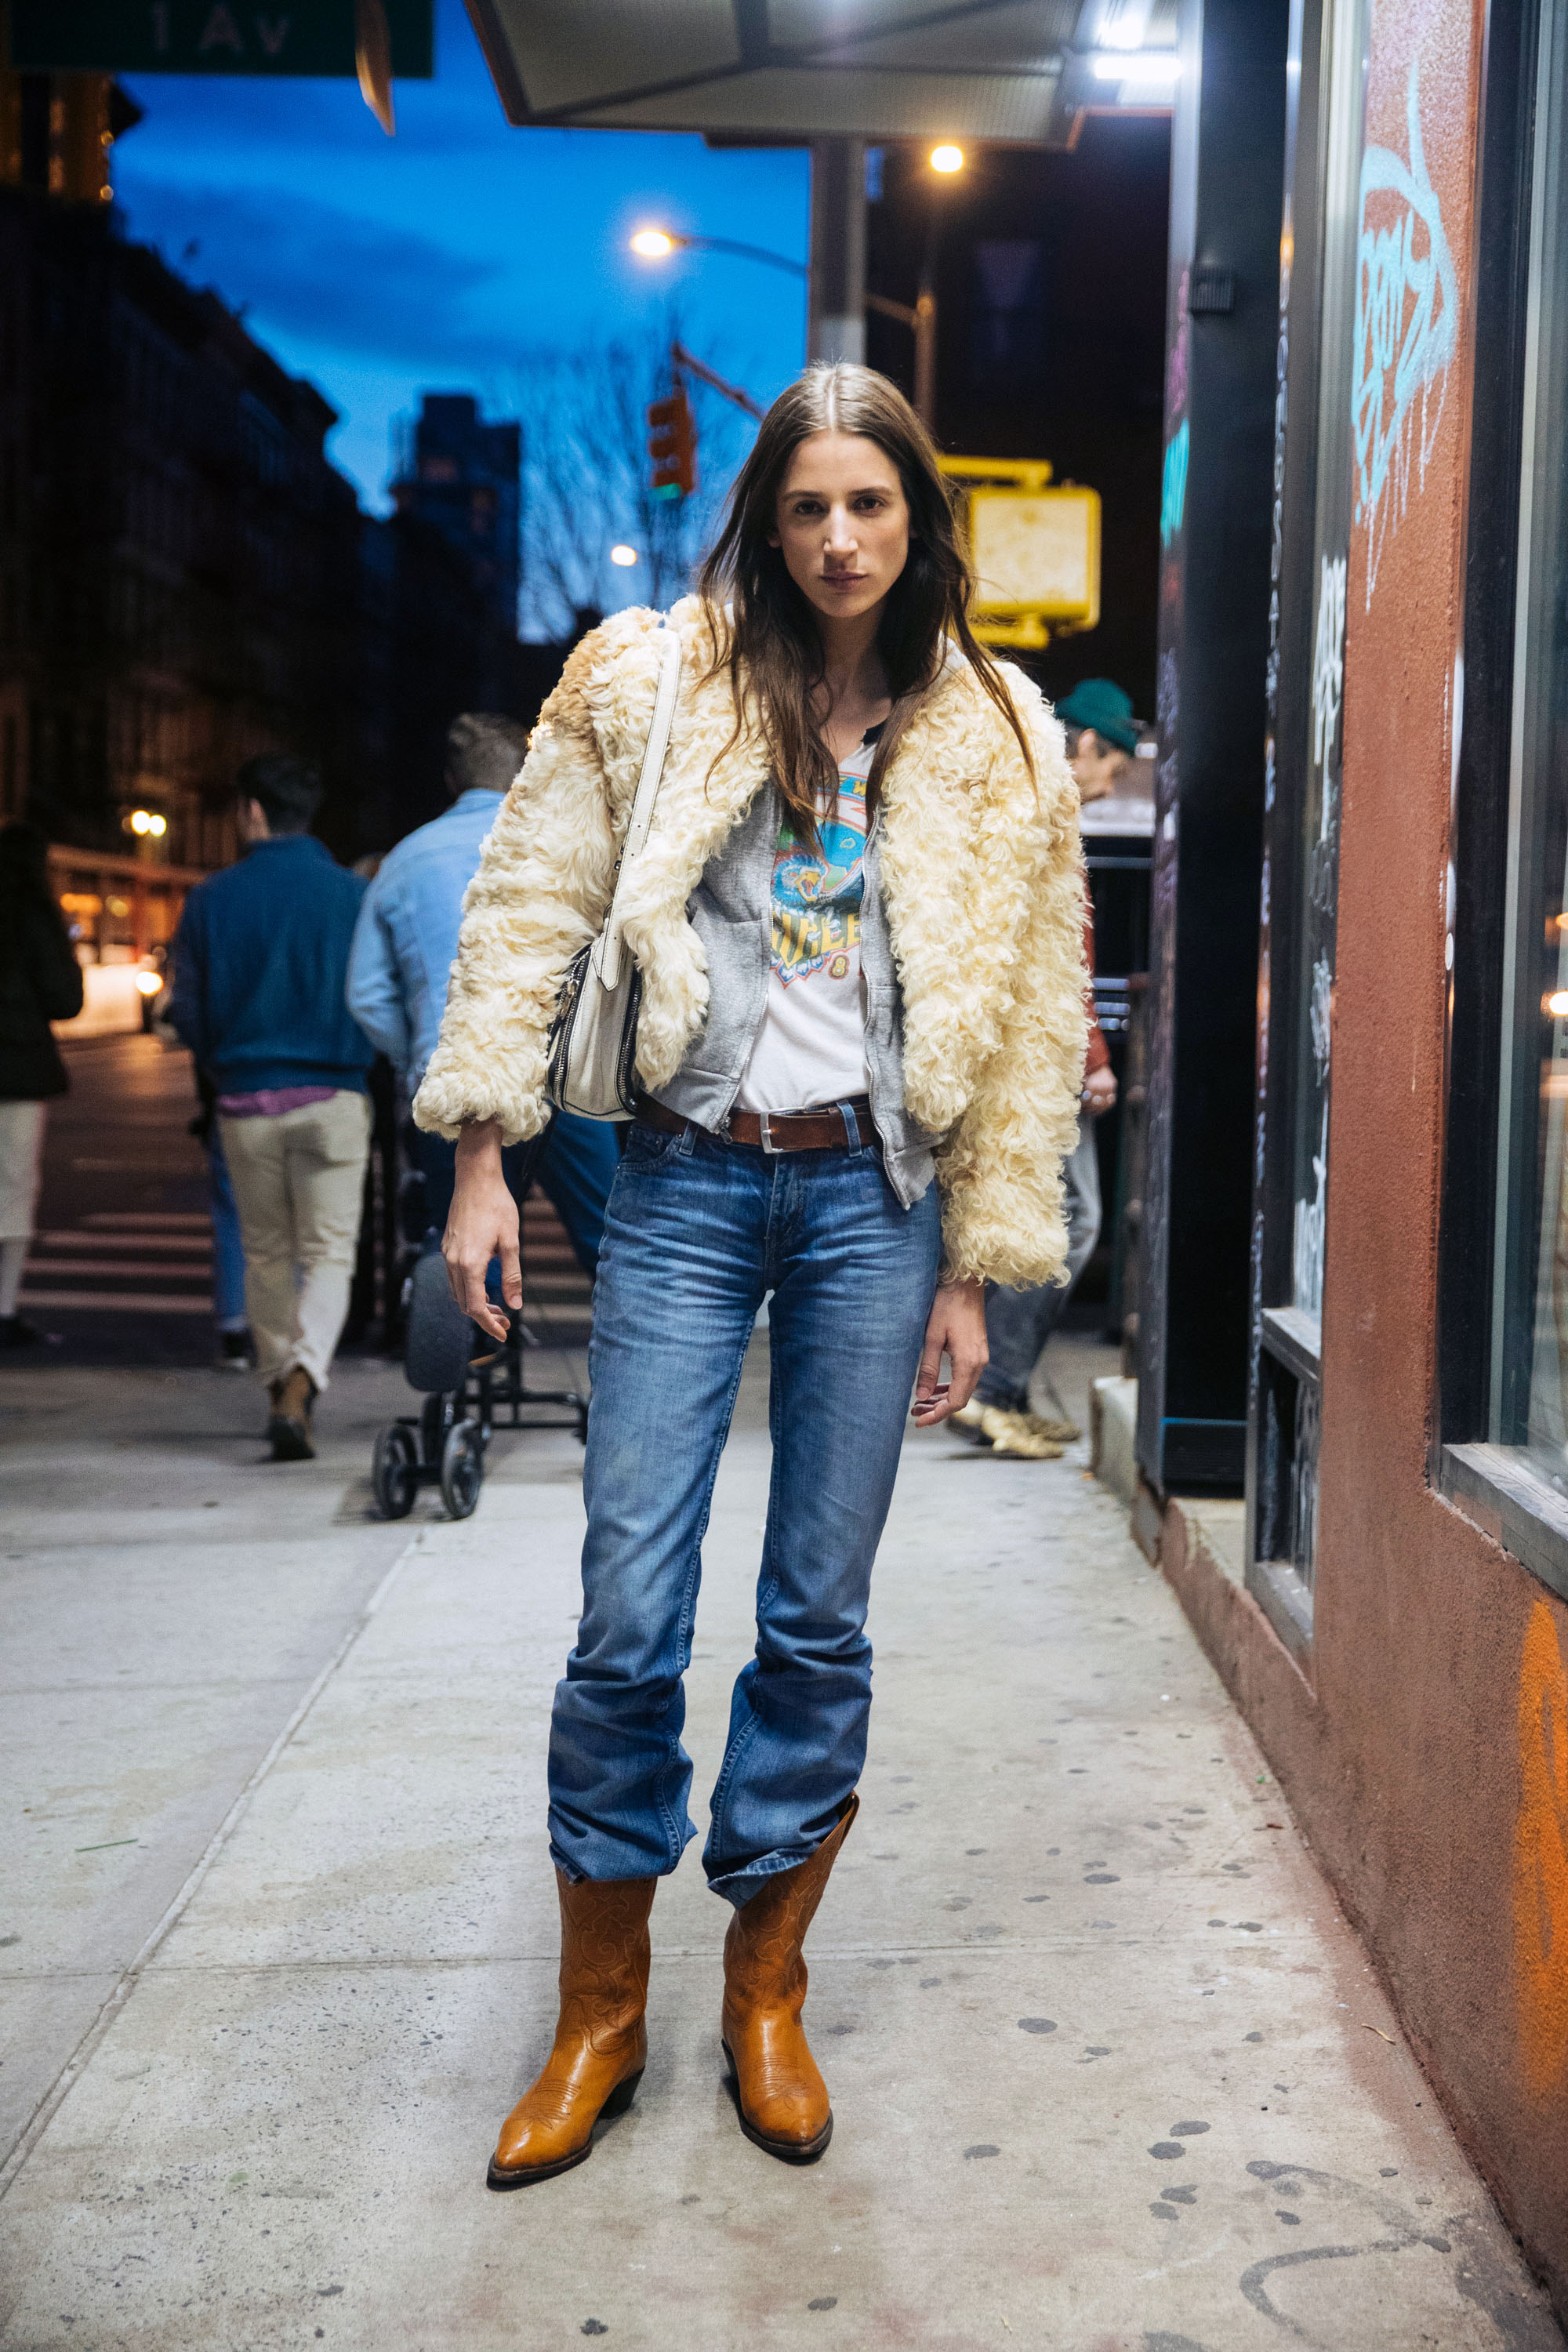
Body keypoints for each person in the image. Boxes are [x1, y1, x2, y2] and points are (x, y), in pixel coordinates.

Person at [416, 363, 1087, 2186]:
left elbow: (1025, 1020)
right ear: (764, 518)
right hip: (689, 1185)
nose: (838, 535)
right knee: (626, 1605)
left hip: (873, 1205)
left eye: (870, 502)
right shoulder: (648, 680)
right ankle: (600, 2011)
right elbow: (529, 904)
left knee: (815, 1614)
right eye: (806, 504)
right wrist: (479, 1158)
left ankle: (761, 1985)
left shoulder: (996, 730)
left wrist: (977, 1262)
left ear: (917, 517)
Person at [345, 712, 619, 1280]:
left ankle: (475, 1338)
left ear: (451, 780)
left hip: (455, 1080)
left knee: (467, 1247)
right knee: (612, 1240)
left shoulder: (403, 860)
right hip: (563, 1074)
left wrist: (421, 1053)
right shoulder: (574, 847)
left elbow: (367, 994)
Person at [170, 755, 374, 1460]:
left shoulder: (210, 899)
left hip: (245, 1098)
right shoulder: (351, 895)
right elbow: (375, 997)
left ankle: (274, 1377)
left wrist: (223, 1058)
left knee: (264, 1254)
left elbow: (186, 1011)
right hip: (334, 1094)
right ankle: (304, 1377)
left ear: (252, 811)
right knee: (329, 1253)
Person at [953, 677, 1136, 1457]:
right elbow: (1058, 951)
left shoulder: (1026, 800)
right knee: (1069, 1221)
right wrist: (1091, 1059)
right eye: (1116, 766)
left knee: (1050, 1217)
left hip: (1028, 1047)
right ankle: (991, 1392)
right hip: (1040, 1053)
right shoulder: (1044, 811)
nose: (1113, 784)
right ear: (1087, 744)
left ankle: (1006, 1393)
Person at [0, 820, 84, 1347]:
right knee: (12, 1188)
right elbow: (65, 999)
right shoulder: (33, 914)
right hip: (17, 1068)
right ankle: (3, 1309)